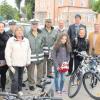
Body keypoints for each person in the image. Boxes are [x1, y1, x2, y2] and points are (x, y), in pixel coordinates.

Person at [5, 26, 31, 95]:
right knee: (15, 80)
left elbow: (29, 51)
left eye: (21, 30)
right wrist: (9, 65)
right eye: (18, 30)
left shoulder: (26, 40)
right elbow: (7, 53)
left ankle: (19, 90)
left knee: (20, 78)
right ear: (15, 32)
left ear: (23, 32)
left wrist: (28, 62)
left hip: (23, 64)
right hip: (14, 64)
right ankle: (13, 93)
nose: (19, 32)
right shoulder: (11, 40)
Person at [26, 19, 45, 91]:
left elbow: (44, 42)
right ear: (31, 25)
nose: (34, 25)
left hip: (40, 55)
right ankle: (31, 84)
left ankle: (39, 83)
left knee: (40, 71)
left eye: (36, 24)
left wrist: (41, 47)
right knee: (30, 71)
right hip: (31, 56)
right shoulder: (27, 34)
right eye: (33, 24)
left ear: (38, 25)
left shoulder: (41, 33)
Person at [0, 22, 9, 92]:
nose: (1, 28)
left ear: (4, 27)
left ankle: (3, 88)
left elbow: (7, 45)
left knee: (3, 74)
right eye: (0, 26)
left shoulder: (7, 35)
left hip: (4, 58)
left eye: (2, 26)